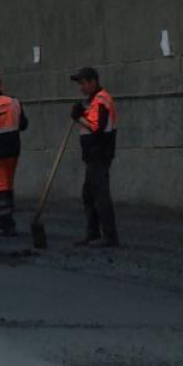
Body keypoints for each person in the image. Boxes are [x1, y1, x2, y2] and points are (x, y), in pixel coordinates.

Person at [69, 67, 119, 247]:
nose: (81, 87)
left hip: (99, 153)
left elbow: (96, 127)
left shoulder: (101, 100)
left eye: (83, 83)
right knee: (89, 194)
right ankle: (94, 233)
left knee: (99, 195)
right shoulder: (94, 101)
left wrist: (79, 117)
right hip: (94, 154)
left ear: (93, 81)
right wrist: (82, 111)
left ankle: (108, 236)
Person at [0, 73, 28, 237]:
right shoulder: (14, 102)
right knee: (7, 183)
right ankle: (3, 212)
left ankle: (6, 223)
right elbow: (23, 124)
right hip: (13, 149)